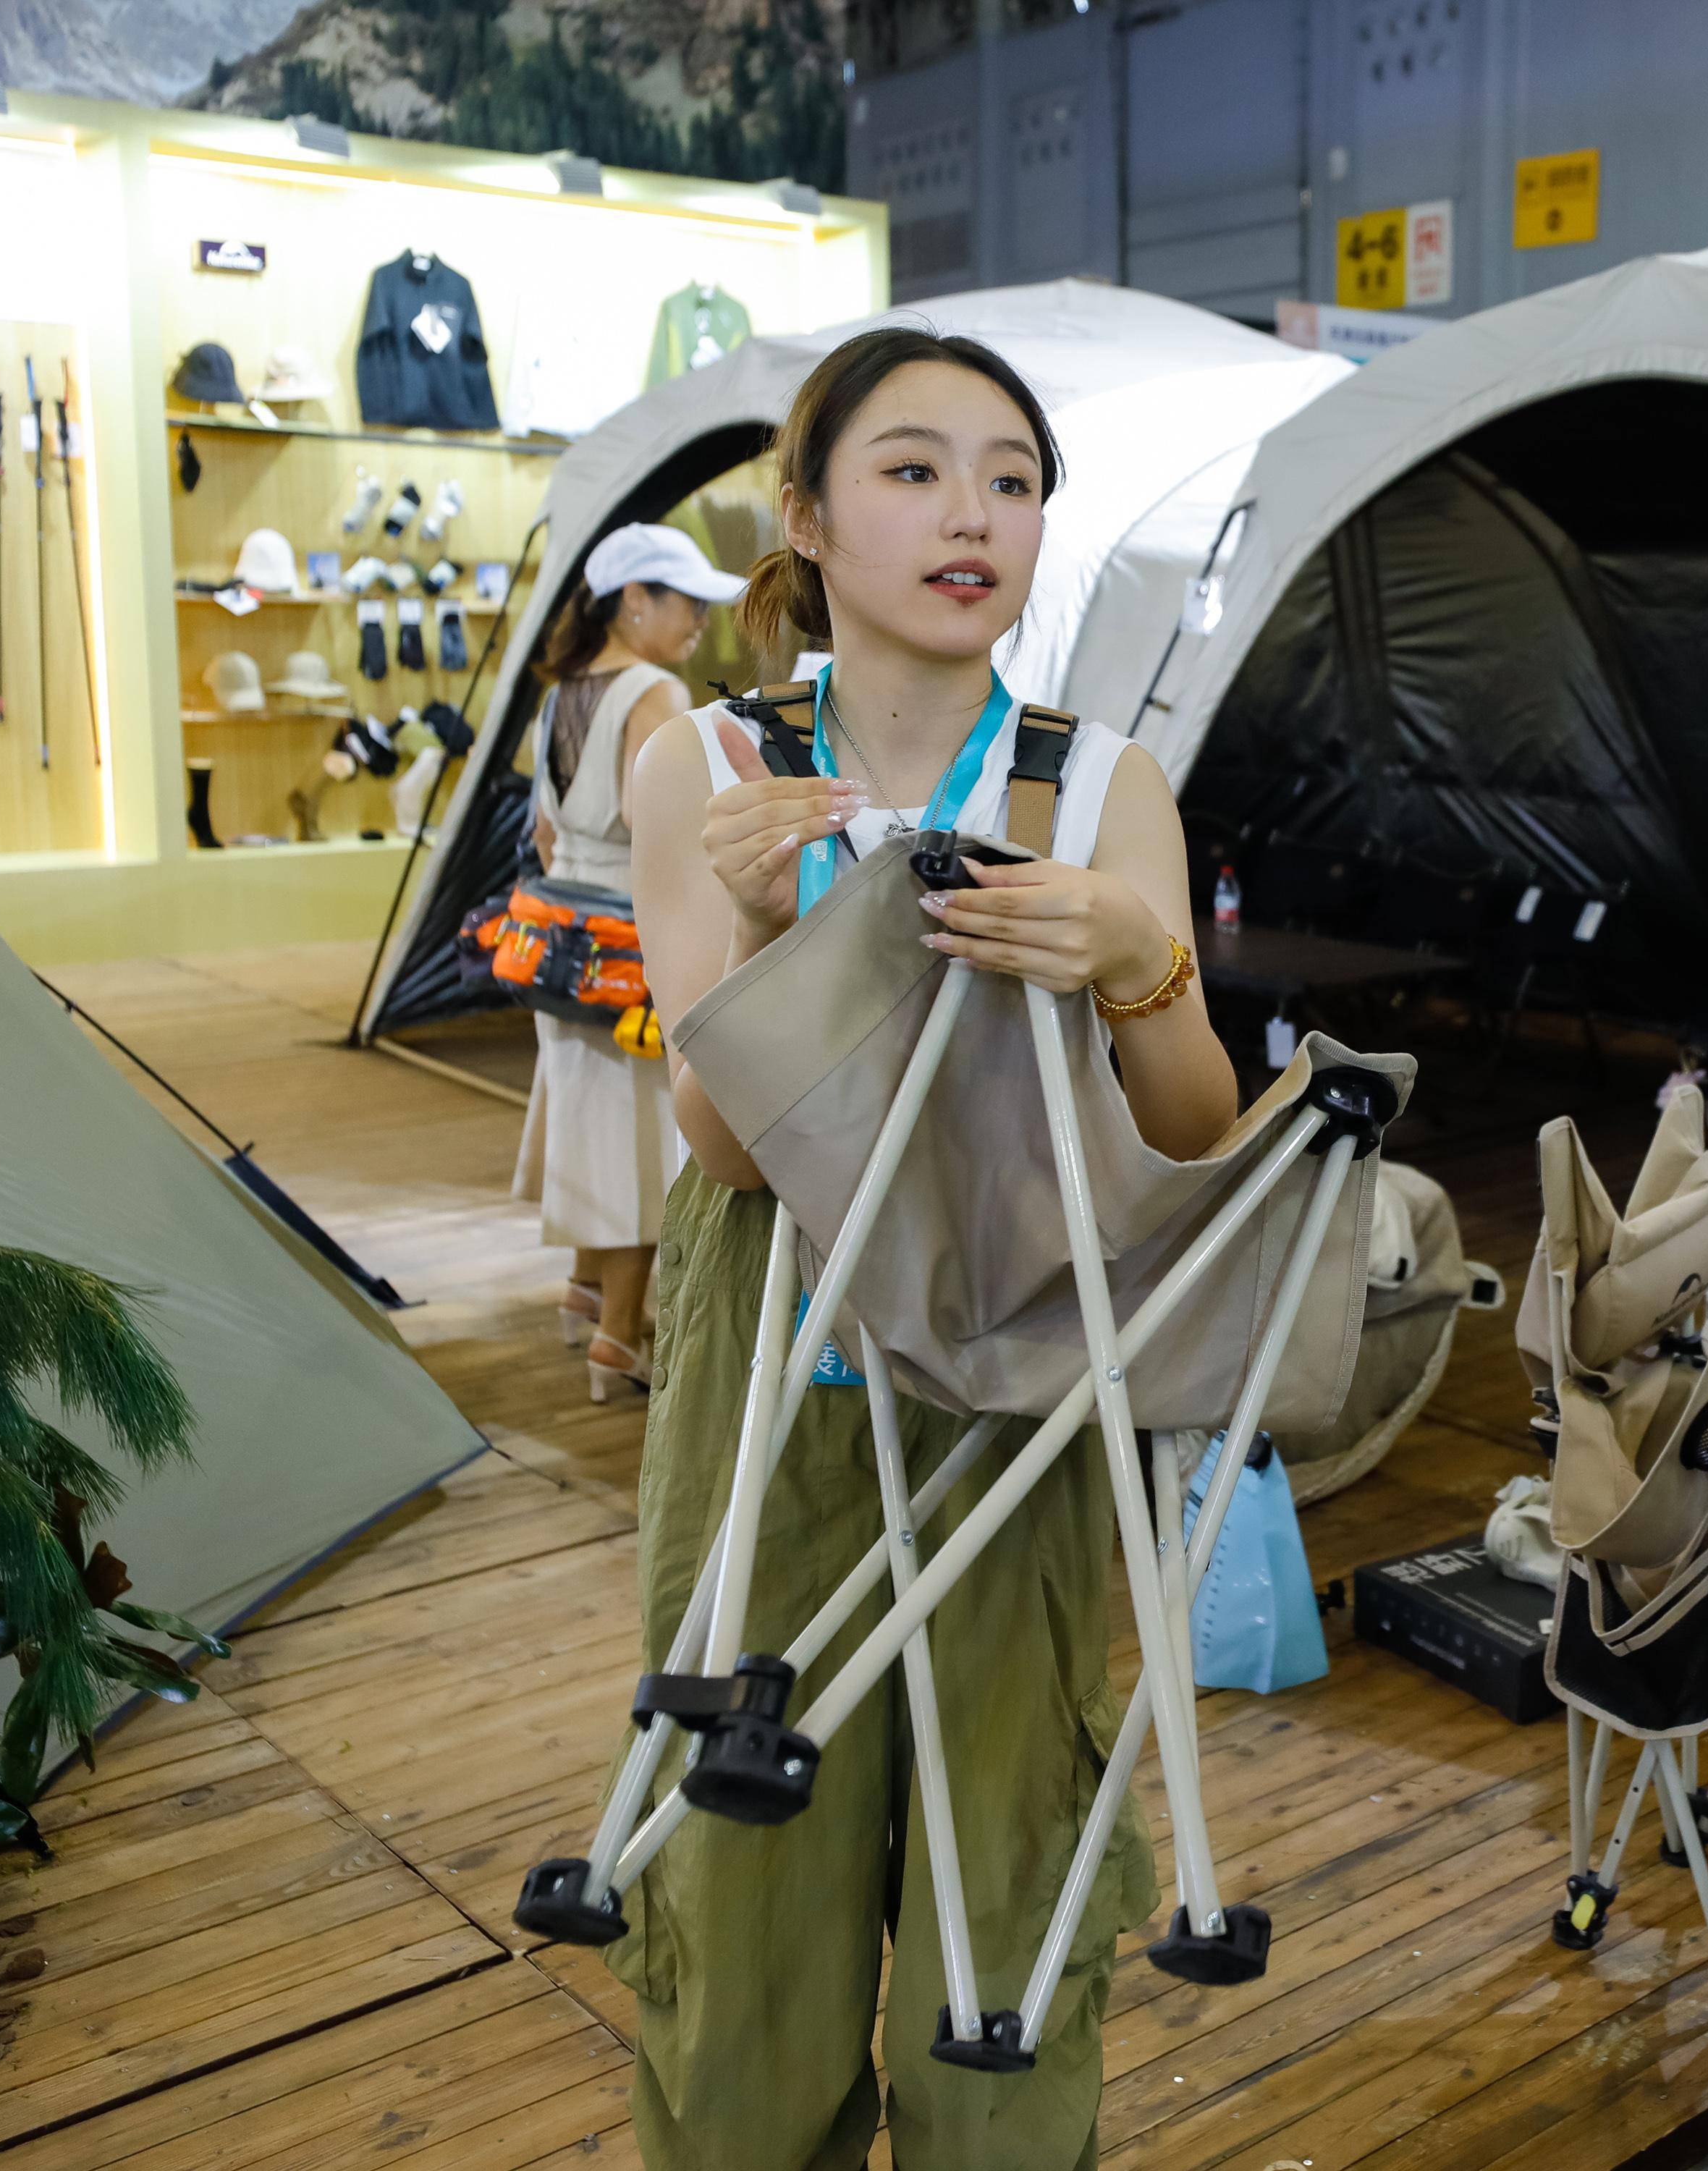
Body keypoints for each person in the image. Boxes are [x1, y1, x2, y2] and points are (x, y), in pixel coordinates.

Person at [616, 328, 1235, 2171]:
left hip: (1018, 1368)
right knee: (743, 1898)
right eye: (910, 469)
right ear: (804, 514)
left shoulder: (1100, 783)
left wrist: (1139, 963)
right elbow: (722, 1145)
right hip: (774, 1368)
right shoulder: (709, 764)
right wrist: (746, 911)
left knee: (1008, 1879)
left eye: (1010, 477)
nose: (971, 511)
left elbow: (1192, 1124)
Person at [512, 522, 741, 1400]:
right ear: (634, 600)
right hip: (628, 947)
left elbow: (543, 828)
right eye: (686, 603)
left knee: (589, 1120)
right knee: (649, 1139)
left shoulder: (560, 693)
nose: (698, 624)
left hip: (561, 939)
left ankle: (584, 1289)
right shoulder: (654, 693)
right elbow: (672, 833)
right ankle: (619, 1333)